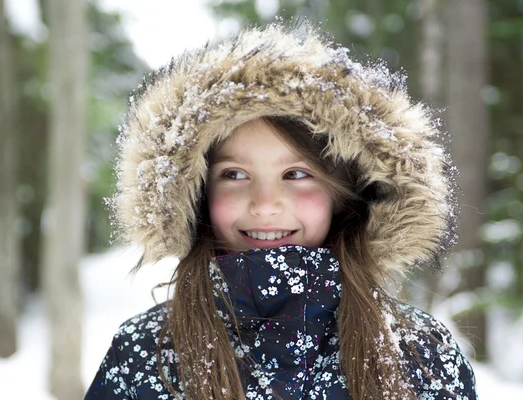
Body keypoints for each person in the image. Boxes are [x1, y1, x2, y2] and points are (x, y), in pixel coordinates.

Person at [85, 23, 477, 400]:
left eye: (296, 173)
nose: (265, 204)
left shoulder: (422, 355)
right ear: (196, 194)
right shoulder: (143, 355)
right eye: (235, 173)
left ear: (346, 193)